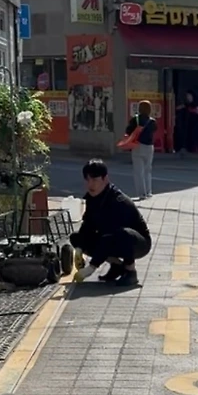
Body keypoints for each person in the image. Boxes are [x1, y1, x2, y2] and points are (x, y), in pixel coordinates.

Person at [70, 158, 152, 286]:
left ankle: (130, 271)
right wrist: (79, 248)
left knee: (122, 234)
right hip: (110, 237)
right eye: (87, 180)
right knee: (76, 237)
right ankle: (116, 265)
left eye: (95, 180)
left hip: (138, 243)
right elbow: (87, 225)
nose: (90, 184)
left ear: (105, 179)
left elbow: (111, 235)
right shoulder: (92, 198)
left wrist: (91, 267)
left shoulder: (117, 201)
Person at [123, 100, 157, 198]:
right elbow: (154, 130)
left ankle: (142, 193)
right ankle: (149, 191)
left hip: (138, 146)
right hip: (149, 147)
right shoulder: (152, 121)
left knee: (138, 171)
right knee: (147, 170)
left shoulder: (135, 119)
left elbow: (128, 131)